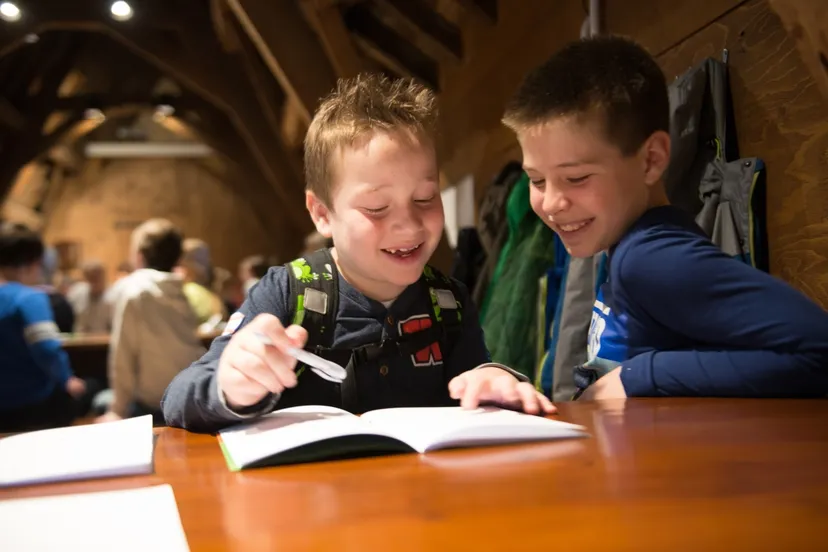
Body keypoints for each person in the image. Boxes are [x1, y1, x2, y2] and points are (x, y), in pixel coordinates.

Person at [162, 74, 554, 433]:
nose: (409, 225)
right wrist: (230, 384)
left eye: (425, 198)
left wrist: (493, 380)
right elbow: (178, 398)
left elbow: (474, 383)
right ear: (322, 213)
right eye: (377, 208)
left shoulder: (448, 302)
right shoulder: (286, 293)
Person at [501, 35, 828, 400]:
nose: (551, 203)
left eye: (576, 178)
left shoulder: (651, 259)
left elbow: (819, 349)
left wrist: (640, 375)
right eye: (537, 180)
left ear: (651, 160)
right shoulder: (626, 246)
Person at [95, 218, 205, 425]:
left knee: (99, 401)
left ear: (139, 255)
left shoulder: (134, 290)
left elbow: (123, 355)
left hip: (154, 404)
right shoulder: (182, 291)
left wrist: (117, 410)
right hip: (189, 395)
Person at [0, 223, 87, 432]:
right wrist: (67, 378)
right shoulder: (30, 299)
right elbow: (46, 347)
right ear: (35, 262)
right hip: (32, 405)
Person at [67, 259, 112, 334]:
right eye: (90, 277)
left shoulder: (113, 296)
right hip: (80, 338)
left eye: (97, 276)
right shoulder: (77, 293)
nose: (94, 281)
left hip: (104, 339)